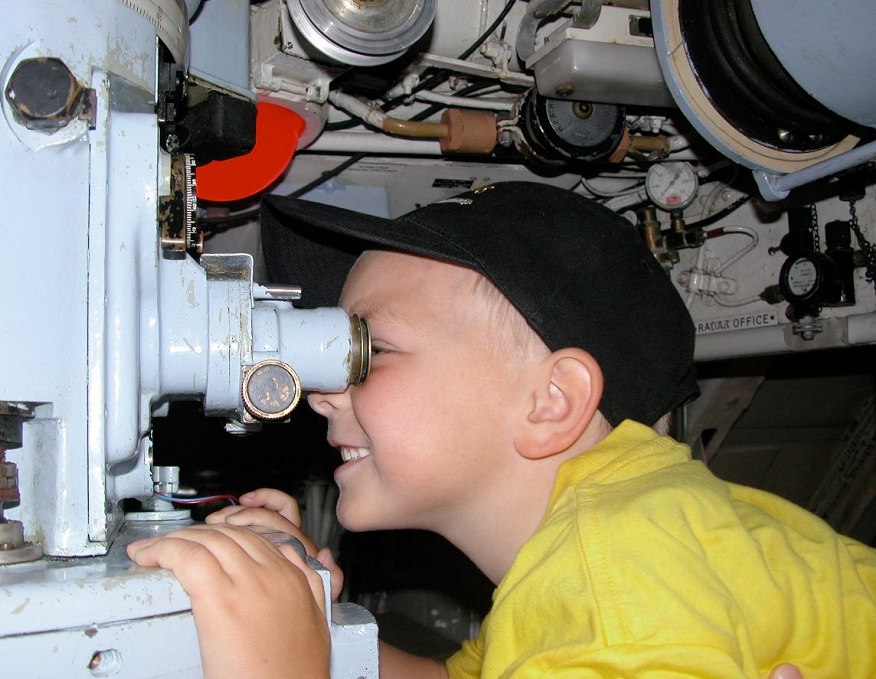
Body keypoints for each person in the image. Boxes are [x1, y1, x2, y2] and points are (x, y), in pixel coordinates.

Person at [128, 182, 875, 678]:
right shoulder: (587, 553)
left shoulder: (617, 574)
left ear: (552, 399)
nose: (321, 393)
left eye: (369, 350)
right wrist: (305, 623)